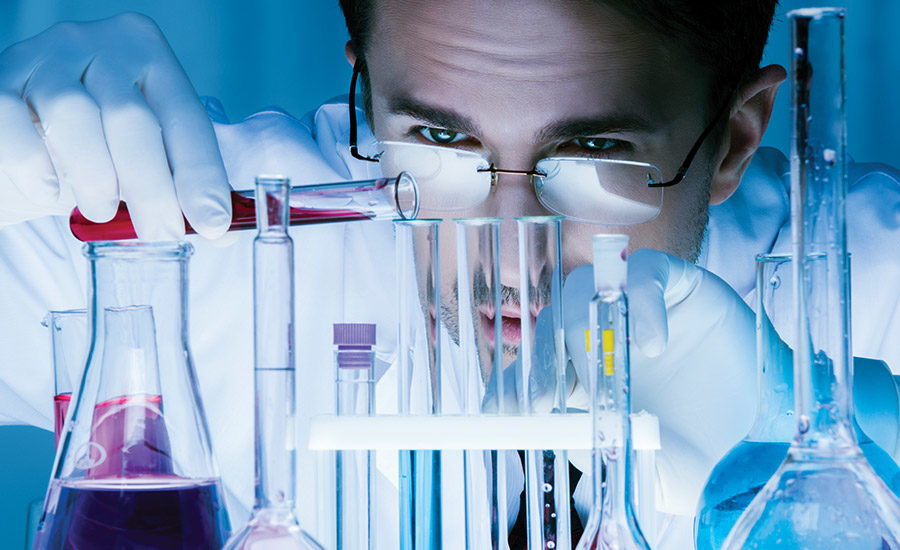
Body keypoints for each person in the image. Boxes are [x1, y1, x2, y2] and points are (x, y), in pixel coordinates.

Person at [2, 1, 900, 547]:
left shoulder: (872, 274)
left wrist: (831, 437)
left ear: (734, 138)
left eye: (594, 153)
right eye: (438, 139)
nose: (509, 252)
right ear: (367, 97)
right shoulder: (177, 222)